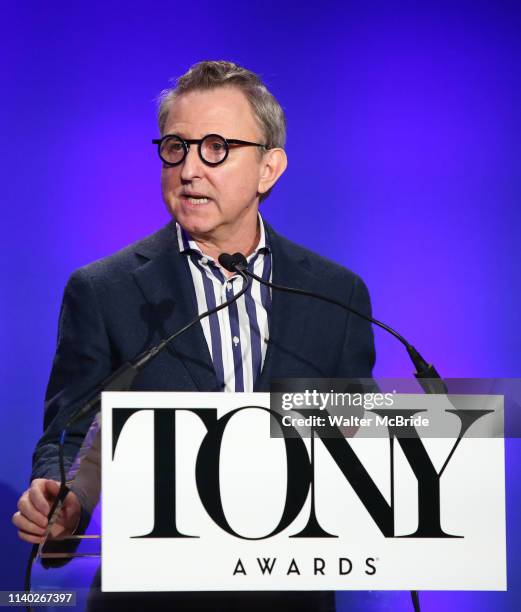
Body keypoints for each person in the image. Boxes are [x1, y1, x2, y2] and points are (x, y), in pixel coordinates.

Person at [13, 60, 375, 611]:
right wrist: (64, 503)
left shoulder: (333, 293)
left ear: (268, 169)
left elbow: (358, 439)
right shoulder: (104, 290)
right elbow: (70, 437)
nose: (189, 169)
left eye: (215, 147)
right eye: (175, 147)